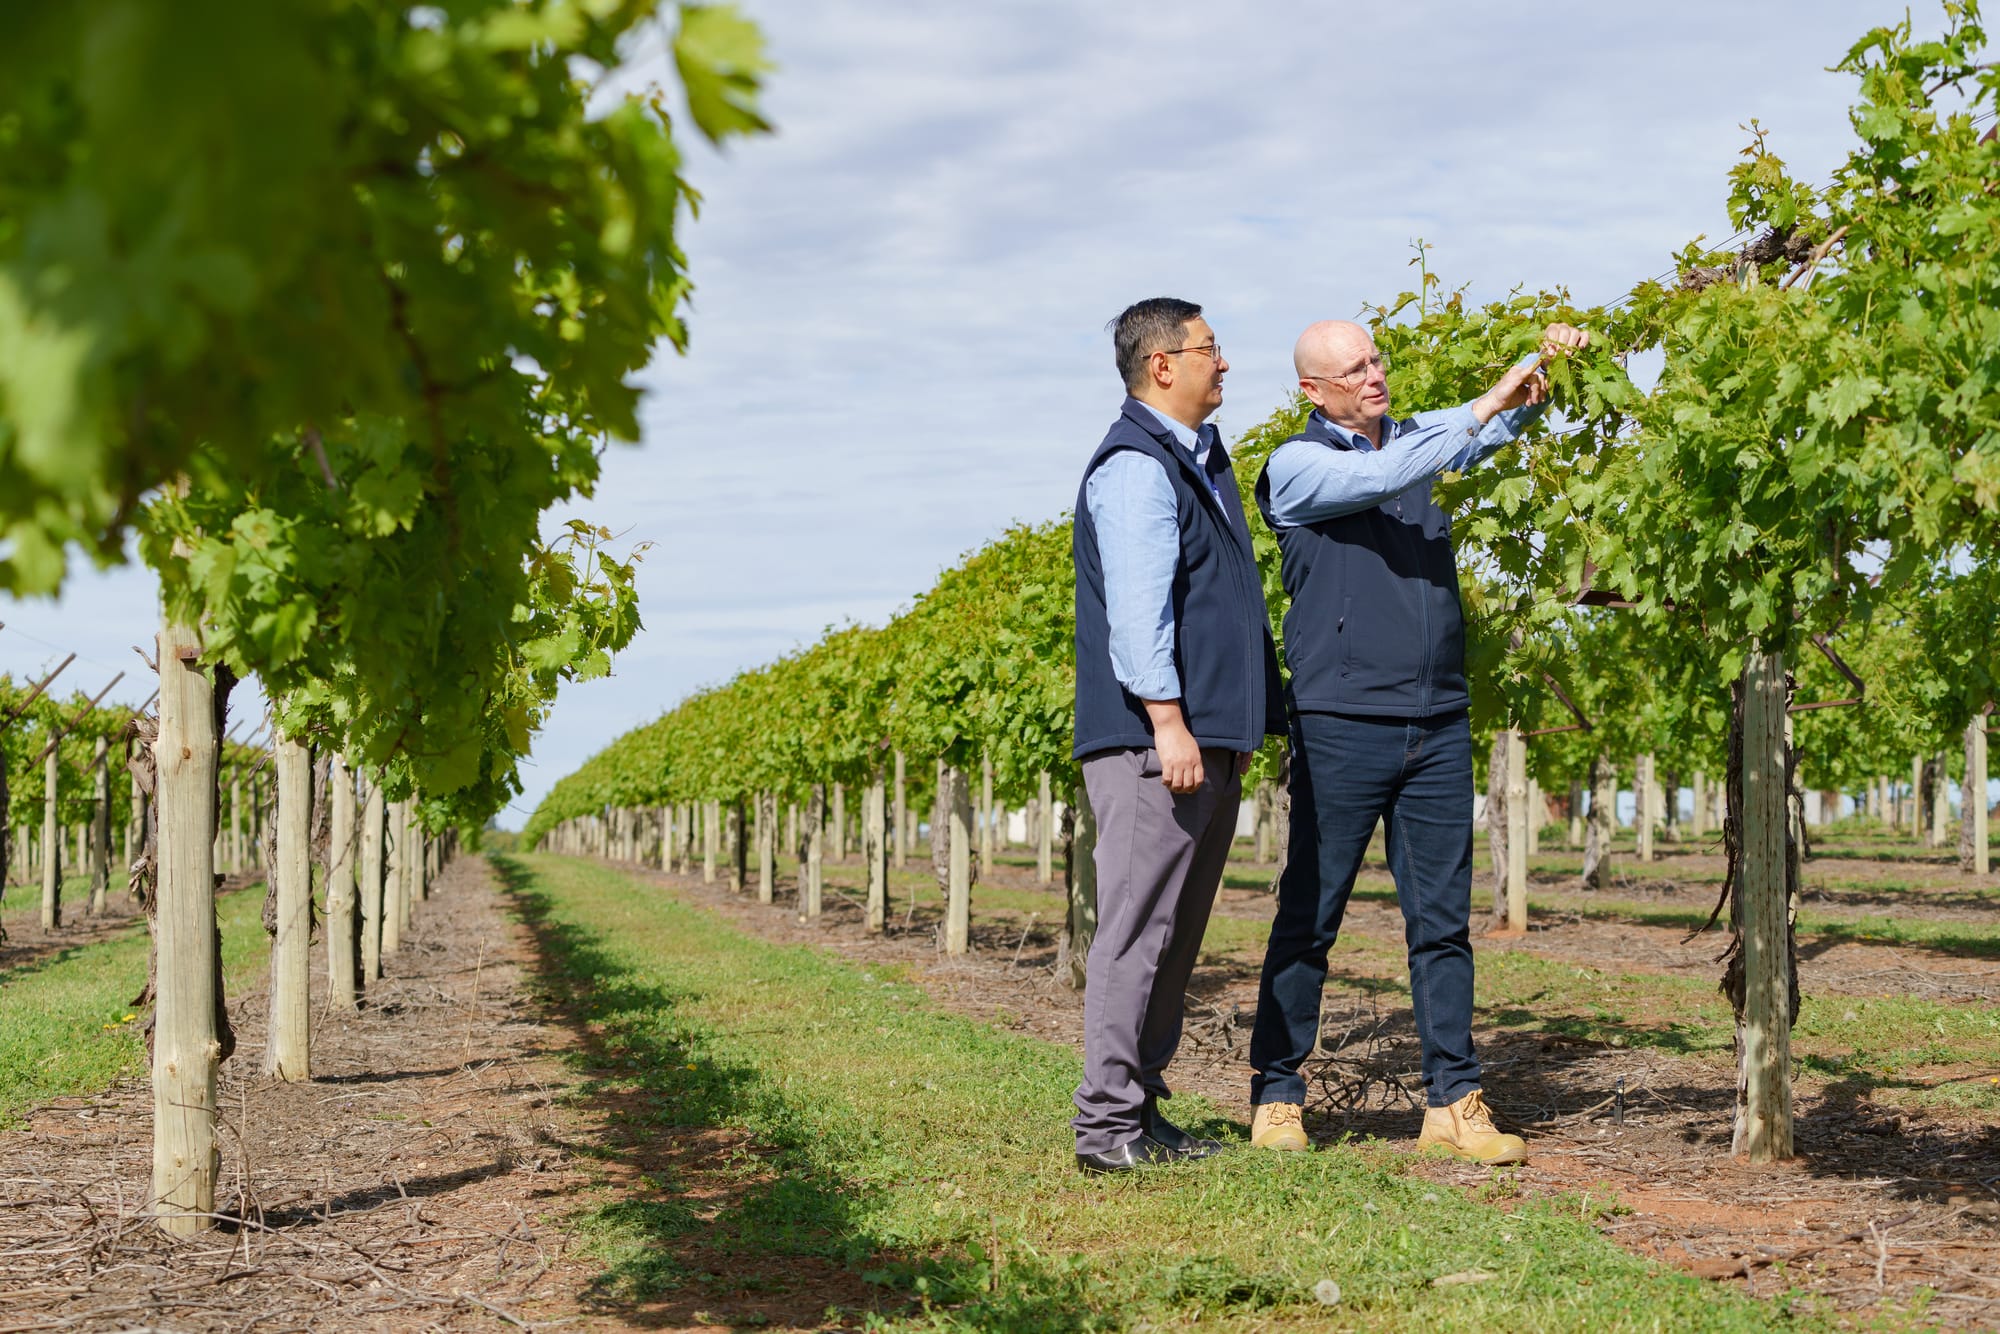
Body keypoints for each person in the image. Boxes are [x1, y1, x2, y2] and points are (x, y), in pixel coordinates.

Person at [1246, 318, 1589, 1164]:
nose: (1374, 376)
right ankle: (1278, 1095)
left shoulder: (1423, 439)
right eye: (1352, 369)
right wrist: (1478, 410)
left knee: (1442, 923)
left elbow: (1495, 426)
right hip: (1339, 720)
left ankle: (1454, 1100)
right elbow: (1403, 464)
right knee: (1310, 916)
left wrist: (1546, 367)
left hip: (1438, 718)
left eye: (1376, 360)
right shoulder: (1295, 467)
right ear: (1311, 390)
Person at [1070, 297, 1286, 1174]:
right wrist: (1168, 722)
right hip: (1152, 745)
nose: (1223, 363)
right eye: (1210, 349)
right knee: (1135, 931)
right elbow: (1137, 611)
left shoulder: (1197, 460)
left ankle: (1141, 1107)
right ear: (1163, 364)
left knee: (1174, 935)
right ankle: (1105, 1130)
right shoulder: (1135, 467)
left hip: (1201, 742)